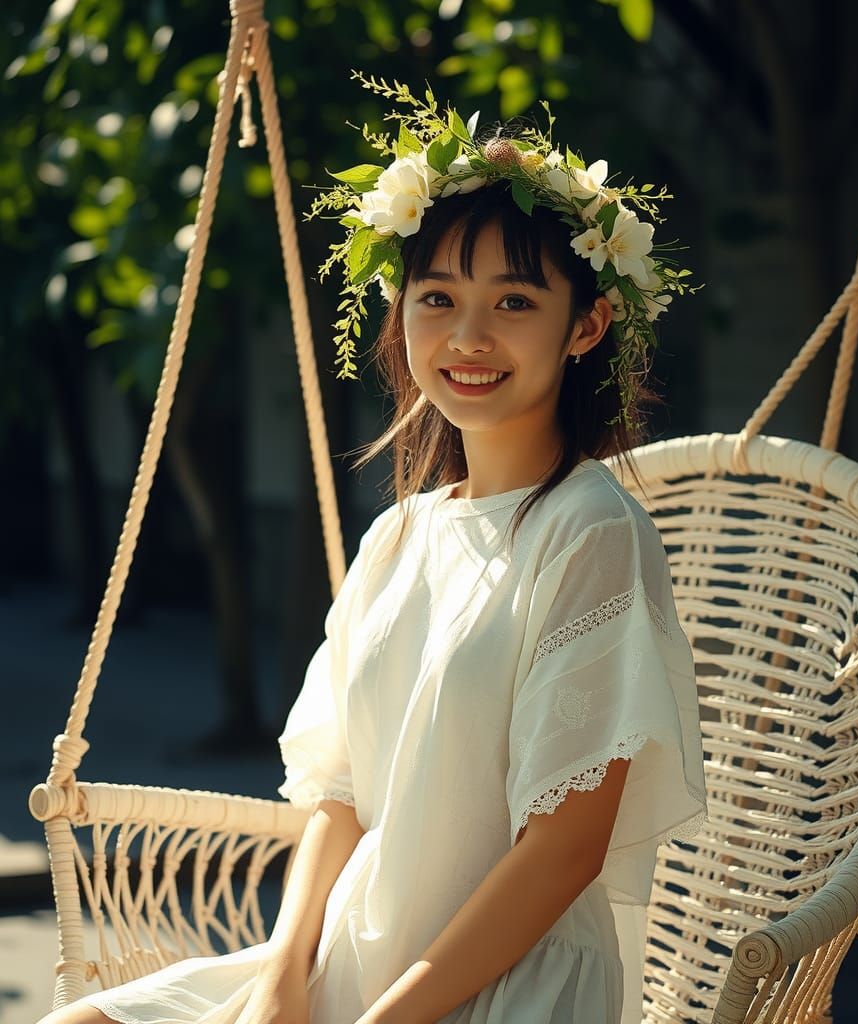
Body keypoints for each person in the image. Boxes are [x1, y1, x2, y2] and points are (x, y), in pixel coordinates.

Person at [41, 73, 708, 1024]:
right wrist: (278, 982)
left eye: (514, 302)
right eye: (437, 297)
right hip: (347, 959)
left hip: (497, 984)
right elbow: (341, 794)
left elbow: (566, 850)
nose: (467, 336)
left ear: (587, 325)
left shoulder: (592, 533)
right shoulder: (399, 534)